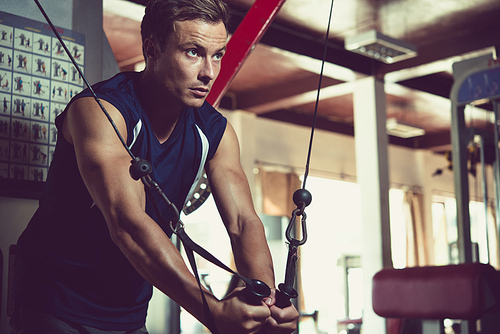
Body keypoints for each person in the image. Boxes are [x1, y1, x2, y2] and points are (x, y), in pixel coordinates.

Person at [13, 0, 300, 333]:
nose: (208, 71)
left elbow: (243, 221)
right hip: (55, 304)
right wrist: (211, 312)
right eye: (193, 52)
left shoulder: (215, 131)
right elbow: (128, 223)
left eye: (217, 54)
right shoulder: (101, 111)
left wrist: (264, 302)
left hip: (130, 311)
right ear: (152, 49)